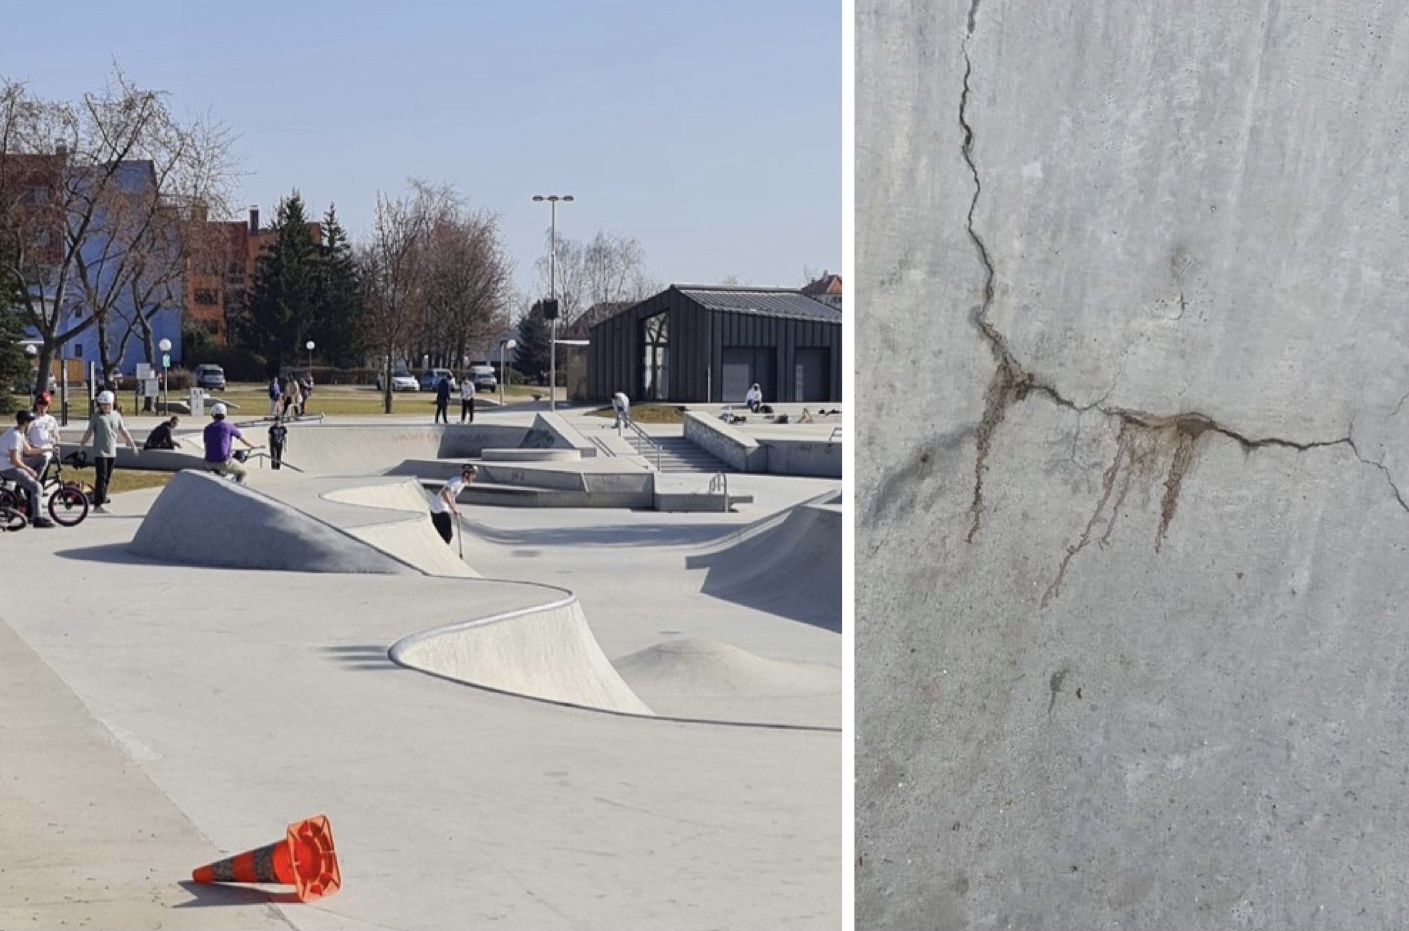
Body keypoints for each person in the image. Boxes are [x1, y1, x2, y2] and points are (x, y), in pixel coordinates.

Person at [78, 390, 139, 513]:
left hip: (112, 452)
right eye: (102, 405)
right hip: (100, 452)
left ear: (112, 404)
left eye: (107, 404)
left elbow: (124, 430)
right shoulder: (96, 417)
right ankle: (98, 504)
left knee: (107, 478)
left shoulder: (116, 416)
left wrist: (132, 444)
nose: (105, 407)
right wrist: (82, 446)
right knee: (101, 477)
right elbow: (88, 432)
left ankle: (102, 498)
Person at [2, 411, 55, 528]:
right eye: (31, 422)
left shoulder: (18, 432)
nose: (32, 425)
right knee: (36, 487)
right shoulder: (15, 436)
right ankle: (37, 519)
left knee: (42, 459)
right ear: (25, 423)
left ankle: (30, 487)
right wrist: (29, 470)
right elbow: (14, 460)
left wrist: (48, 449)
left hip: (12, 464)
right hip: (7, 467)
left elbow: (28, 451)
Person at [202, 402, 259, 483]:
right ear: (225, 414)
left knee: (222, 470)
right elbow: (244, 440)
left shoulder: (207, 428)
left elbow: (206, 445)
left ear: (212, 415)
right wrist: (255, 446)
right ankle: (238, 488)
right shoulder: (228, 426)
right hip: (223, 462)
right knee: (243, 471)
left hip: (208, 463)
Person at [429, 463, 477, 544]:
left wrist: (456, 509)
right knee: (447, 535)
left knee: (442, 535)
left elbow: (452, 496)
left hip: (439, 508)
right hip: (439, 509)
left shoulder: (462, 483)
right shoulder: (457, 481)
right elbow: (445, 493)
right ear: (466, 474)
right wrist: (453, 508)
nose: (474, 477)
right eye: (473, 474)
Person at [24, 392, 61, 481]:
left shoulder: (51, 419)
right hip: (35, 452)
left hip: (48, 453)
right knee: (34, 477)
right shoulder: (32, 418)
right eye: (39, 406)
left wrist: (56, 438)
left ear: (48, 407)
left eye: (44, 406)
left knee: (43, 478)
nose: (42, 408)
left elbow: (56, 434)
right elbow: (24, 434)